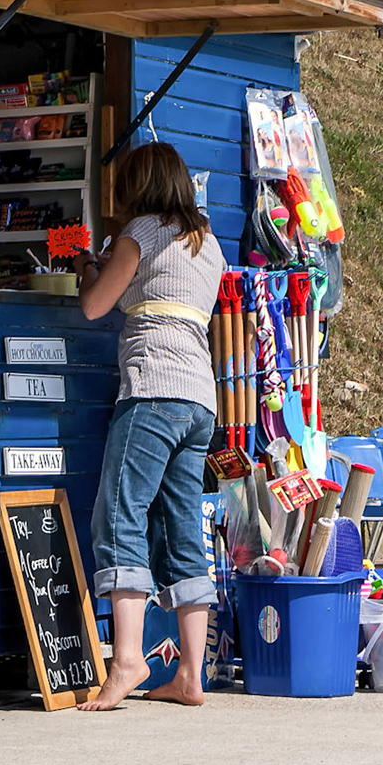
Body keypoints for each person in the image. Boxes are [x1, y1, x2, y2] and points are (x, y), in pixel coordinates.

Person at [67, 142, 225, 710]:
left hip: (153, 387)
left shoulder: (142, 231)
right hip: (199, 399)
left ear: (140, 185)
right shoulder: (207, 243)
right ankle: (190, 672)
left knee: (119, 512)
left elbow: (94, 306)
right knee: (183, 525)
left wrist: (88, 265)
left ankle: (127, 659)